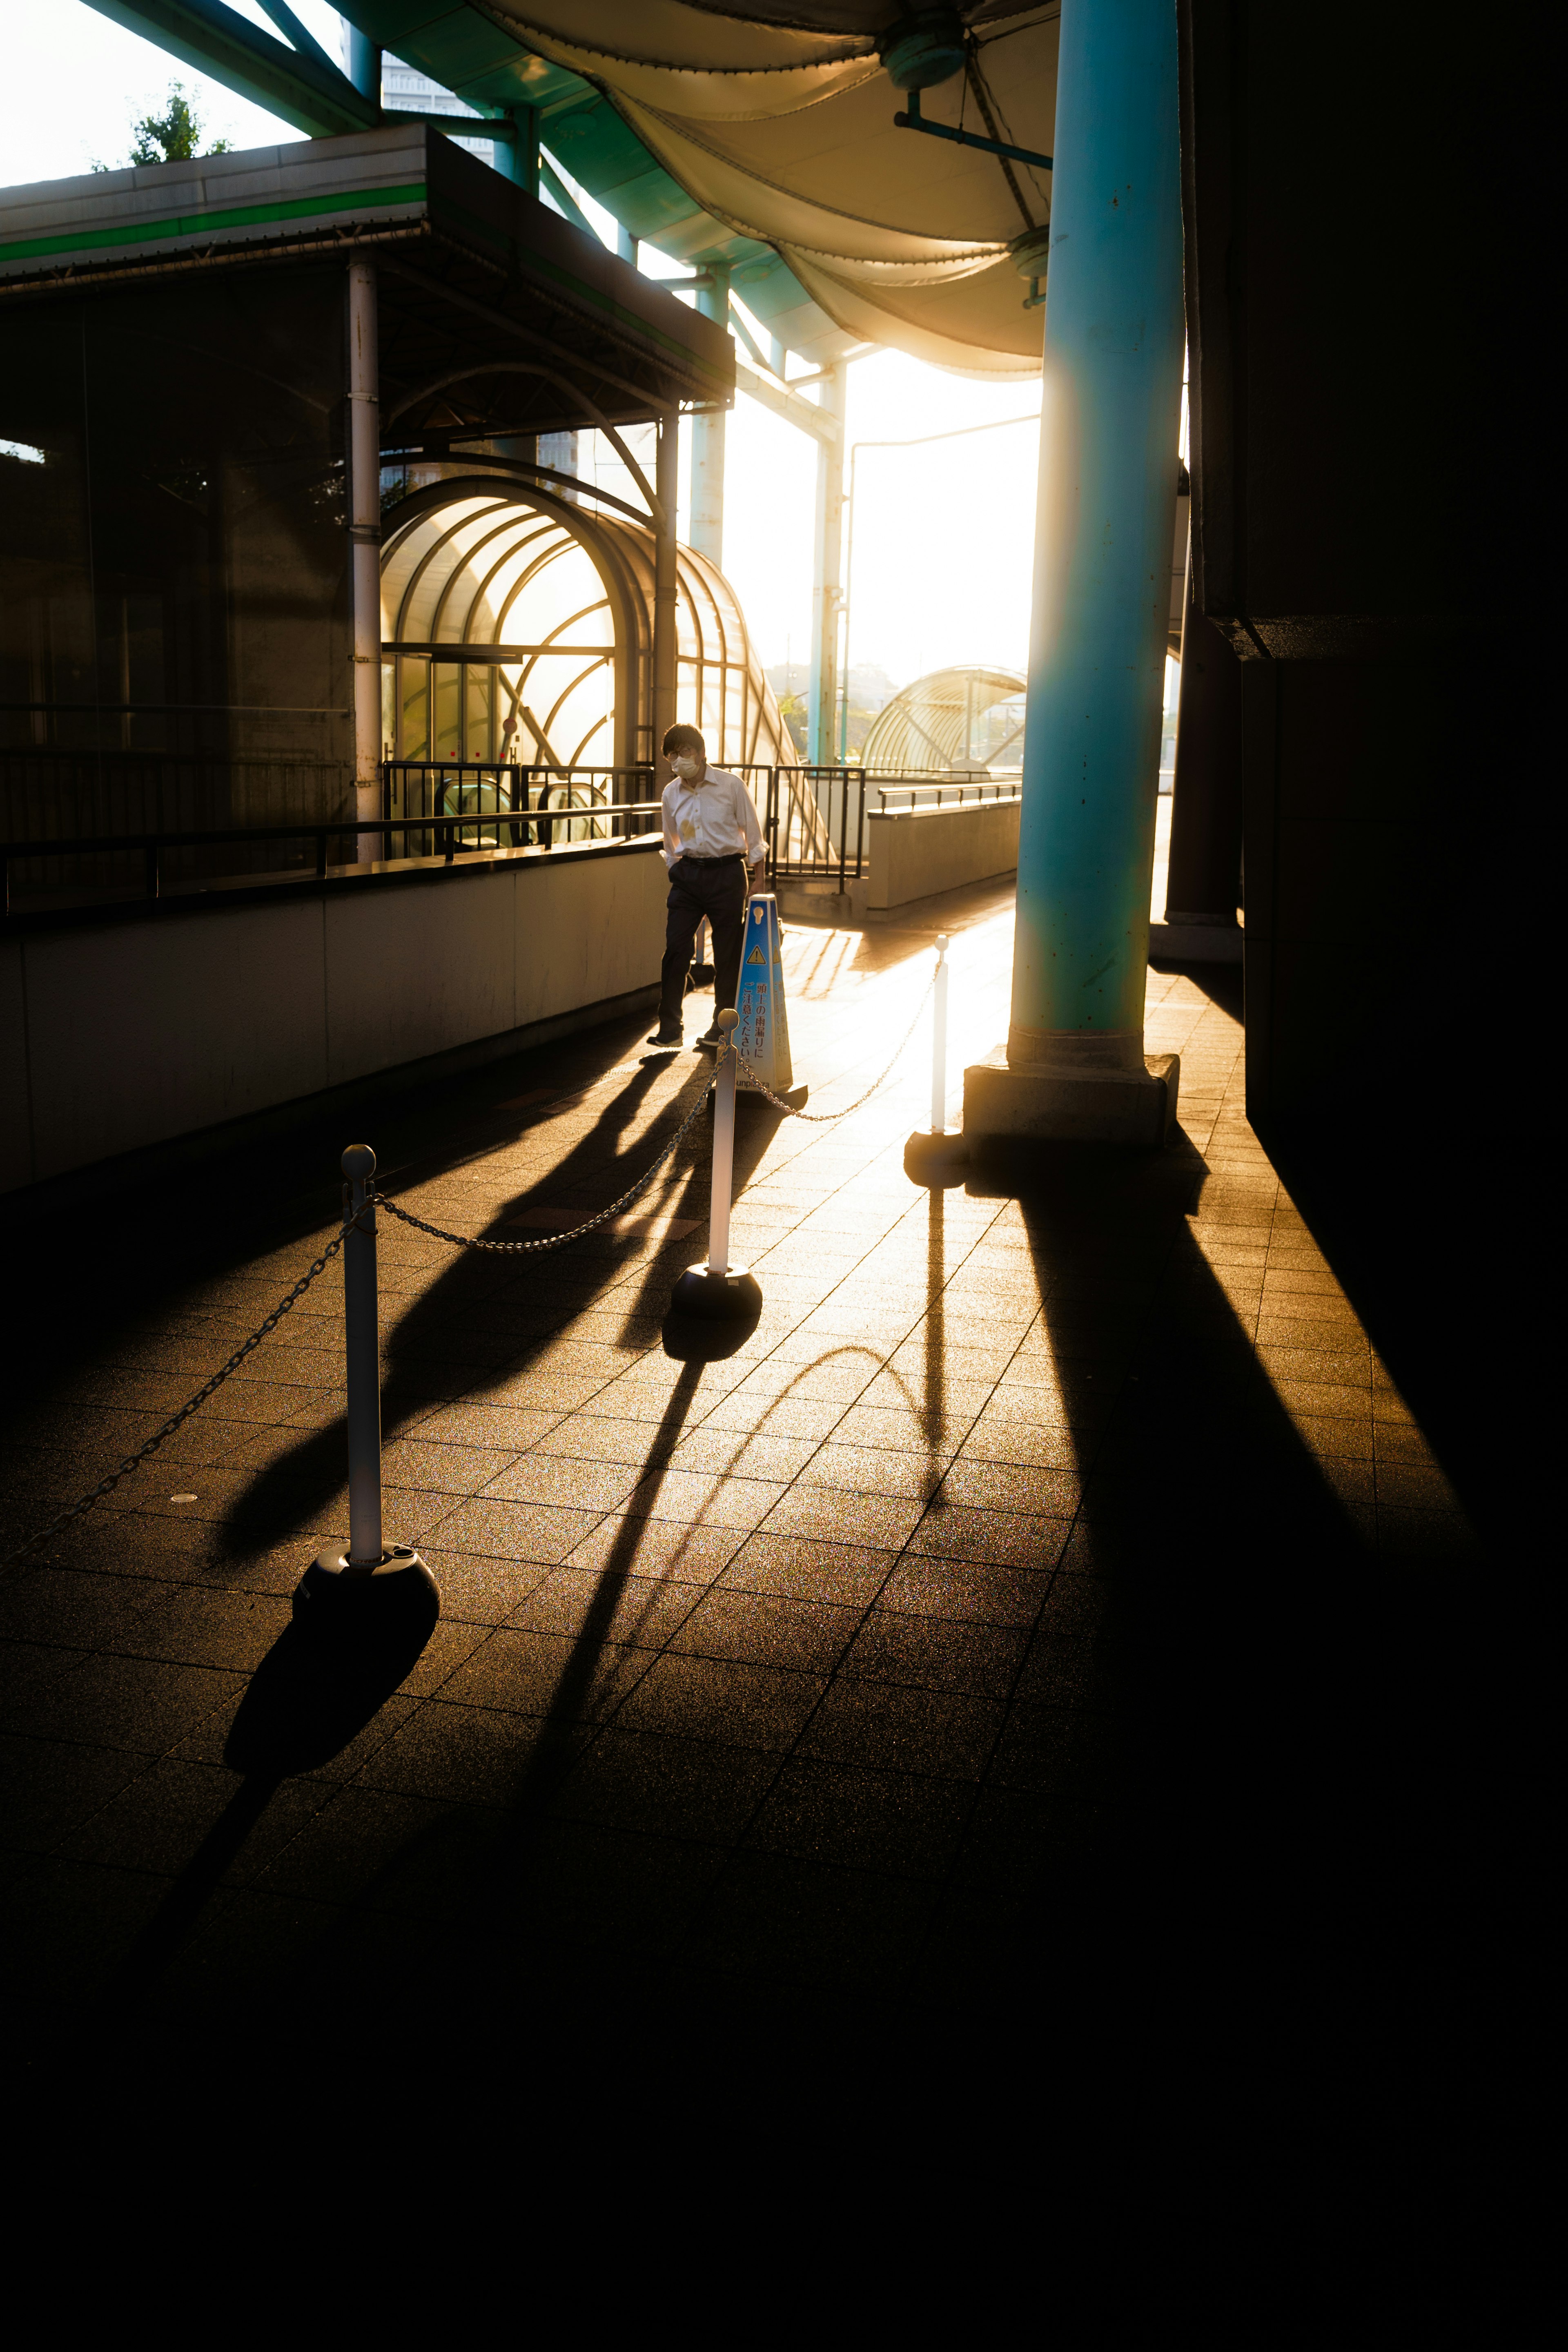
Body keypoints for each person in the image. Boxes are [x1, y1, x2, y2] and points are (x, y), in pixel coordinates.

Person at [648, 723, 766, 1047]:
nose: (679, 759)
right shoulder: (671, 793)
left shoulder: (730, 786)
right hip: (688, 877)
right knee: (676, 949)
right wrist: (677, 869)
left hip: (727, 874)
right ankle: (671, 1028)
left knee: (727, 954)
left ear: (701, 753)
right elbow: (670, 840)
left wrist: (759, 879)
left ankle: (722, 1027)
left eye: (685, 751)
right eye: (673, 754)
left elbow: (754, 835)